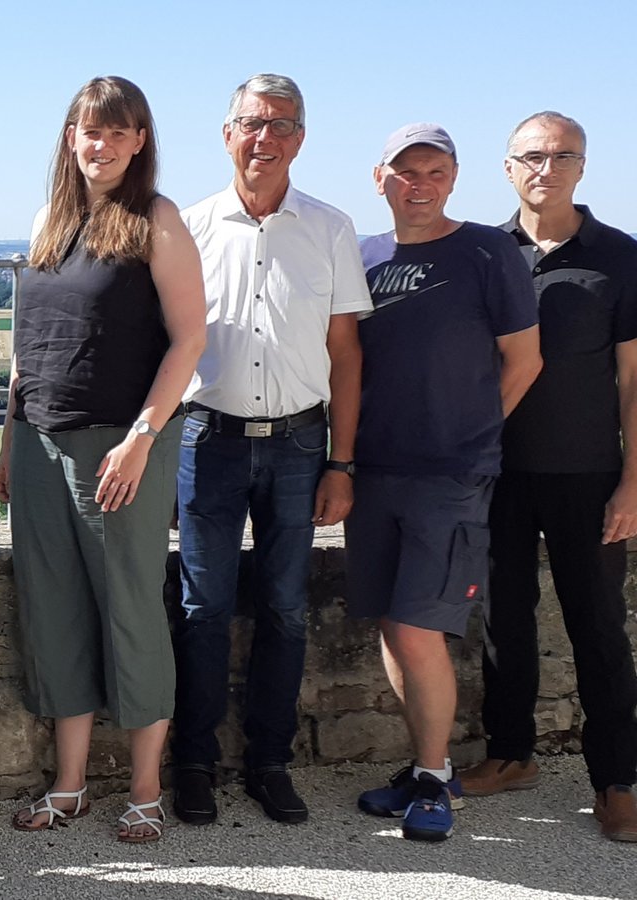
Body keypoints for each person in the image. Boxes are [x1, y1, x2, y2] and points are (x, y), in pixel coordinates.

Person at [0, 76, 205, 843]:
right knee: (54, 613)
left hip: (120, 447)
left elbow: (189, 340)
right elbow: (26, 347)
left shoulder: (157, 218)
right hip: (40, 443)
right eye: (91, 129)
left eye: (118, 132)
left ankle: (146, 789)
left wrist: (142, 439)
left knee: (130, 611)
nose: (102, 144)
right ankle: (70, 785)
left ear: (140, 141)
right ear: (71, 135)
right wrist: (10, 439)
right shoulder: (51, 220)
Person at [171, 73, 370, 826]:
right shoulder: (187, 228)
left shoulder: (330, 227)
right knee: (201, 609)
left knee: (286, 609)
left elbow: (346, 353)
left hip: (298, 445)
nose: (266, 138)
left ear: (301, 139)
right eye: (253, 123)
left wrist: (342, 463)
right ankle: (193, 762)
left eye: (282, 125)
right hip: (207, 441)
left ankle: (269, 762)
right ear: (228, 134)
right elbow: (165, 348)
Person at [349, 123, 541, 842]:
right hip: (373, 472)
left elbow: (524, 359)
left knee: (422, 631)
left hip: (451, 475)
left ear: (454, 179)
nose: (418, 184)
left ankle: (435, 779)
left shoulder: (487, 251)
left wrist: (475, 436)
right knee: (394, 631)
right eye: (405, 172)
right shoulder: (363, 256)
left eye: (433, 171)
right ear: (381, 179)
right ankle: (421, 766)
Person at [455, 111, 637, 843]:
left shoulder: (619, 256)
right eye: (532, 156)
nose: (546, 168)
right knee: (505, 622)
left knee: (599, 629)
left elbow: (632, 382)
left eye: (562, 156)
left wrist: (633, 483)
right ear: (508, 168)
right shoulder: (482, 253)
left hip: (589, 474)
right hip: (499, 473)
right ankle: (510, 755)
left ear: (582, 167)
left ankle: (618, 780)